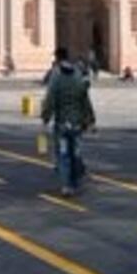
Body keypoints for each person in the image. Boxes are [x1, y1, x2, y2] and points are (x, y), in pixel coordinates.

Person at [41, 47, 96, 197]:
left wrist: (45, 117)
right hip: (77, 123)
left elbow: (50, 99)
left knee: (64, 155)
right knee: (75, 153)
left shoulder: (56, 76)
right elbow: (85, 100)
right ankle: (76, 179)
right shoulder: (78, 75)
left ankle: (67, 185)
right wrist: (91, 120)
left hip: (62, 124)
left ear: (57, 59)